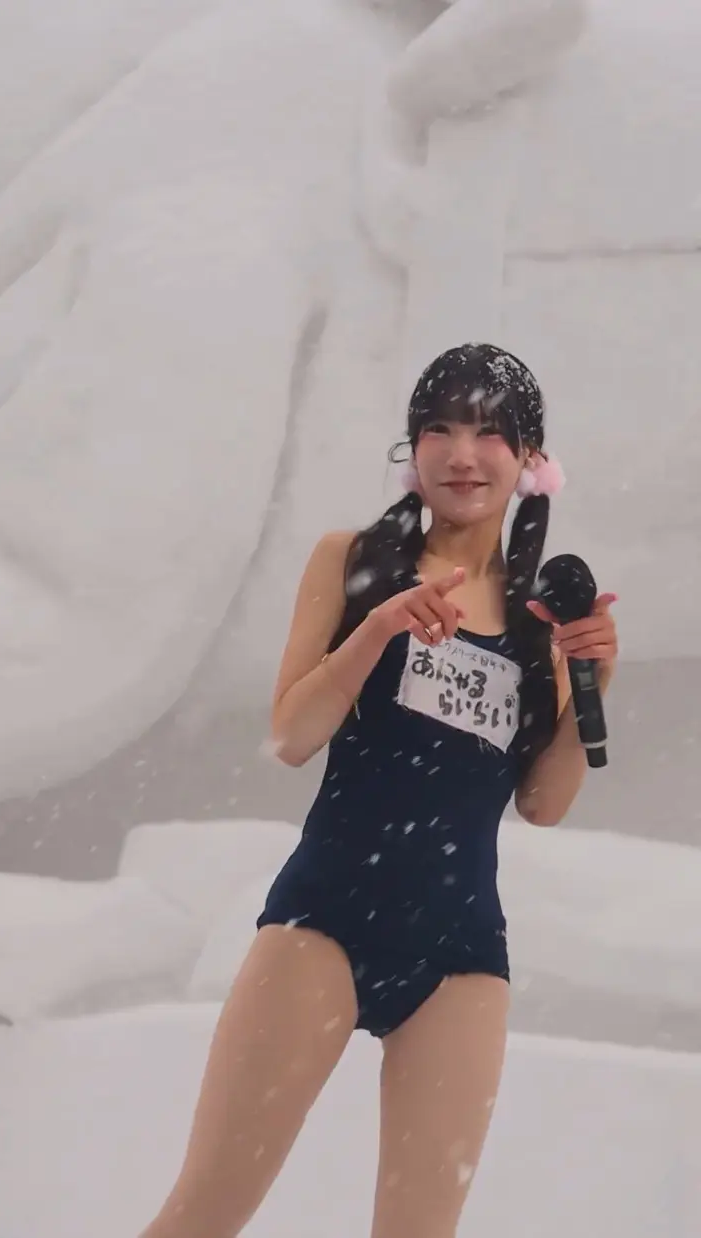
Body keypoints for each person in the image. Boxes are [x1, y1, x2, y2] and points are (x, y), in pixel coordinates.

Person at [141, 343, 618, 1238]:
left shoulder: (538, 618)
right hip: (324, 920)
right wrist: (377, 630)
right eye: (440, 429)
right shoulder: (354, 560)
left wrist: (594, 676)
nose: (462, 455)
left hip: (461, 949)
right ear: (412, 447)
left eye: (489, 433)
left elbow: (543, 804)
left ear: (529, 459)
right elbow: (291, 735)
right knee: (203, 1213)